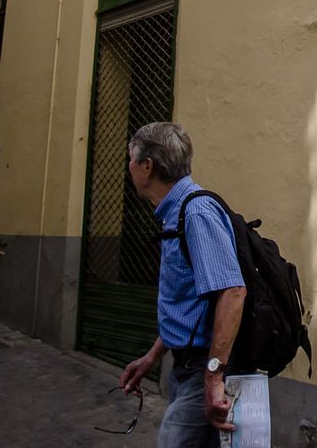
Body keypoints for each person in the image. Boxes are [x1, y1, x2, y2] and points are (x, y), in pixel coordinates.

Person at [118, 122, 248, 448]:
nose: (129, 166)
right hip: (185, 368)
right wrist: (152, 356)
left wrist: (214, 377)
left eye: (131, 159)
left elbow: (233, 292)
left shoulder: (196, 212)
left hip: (202, 370)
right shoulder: (174, 212)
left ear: (147, 166)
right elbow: (190, 303)